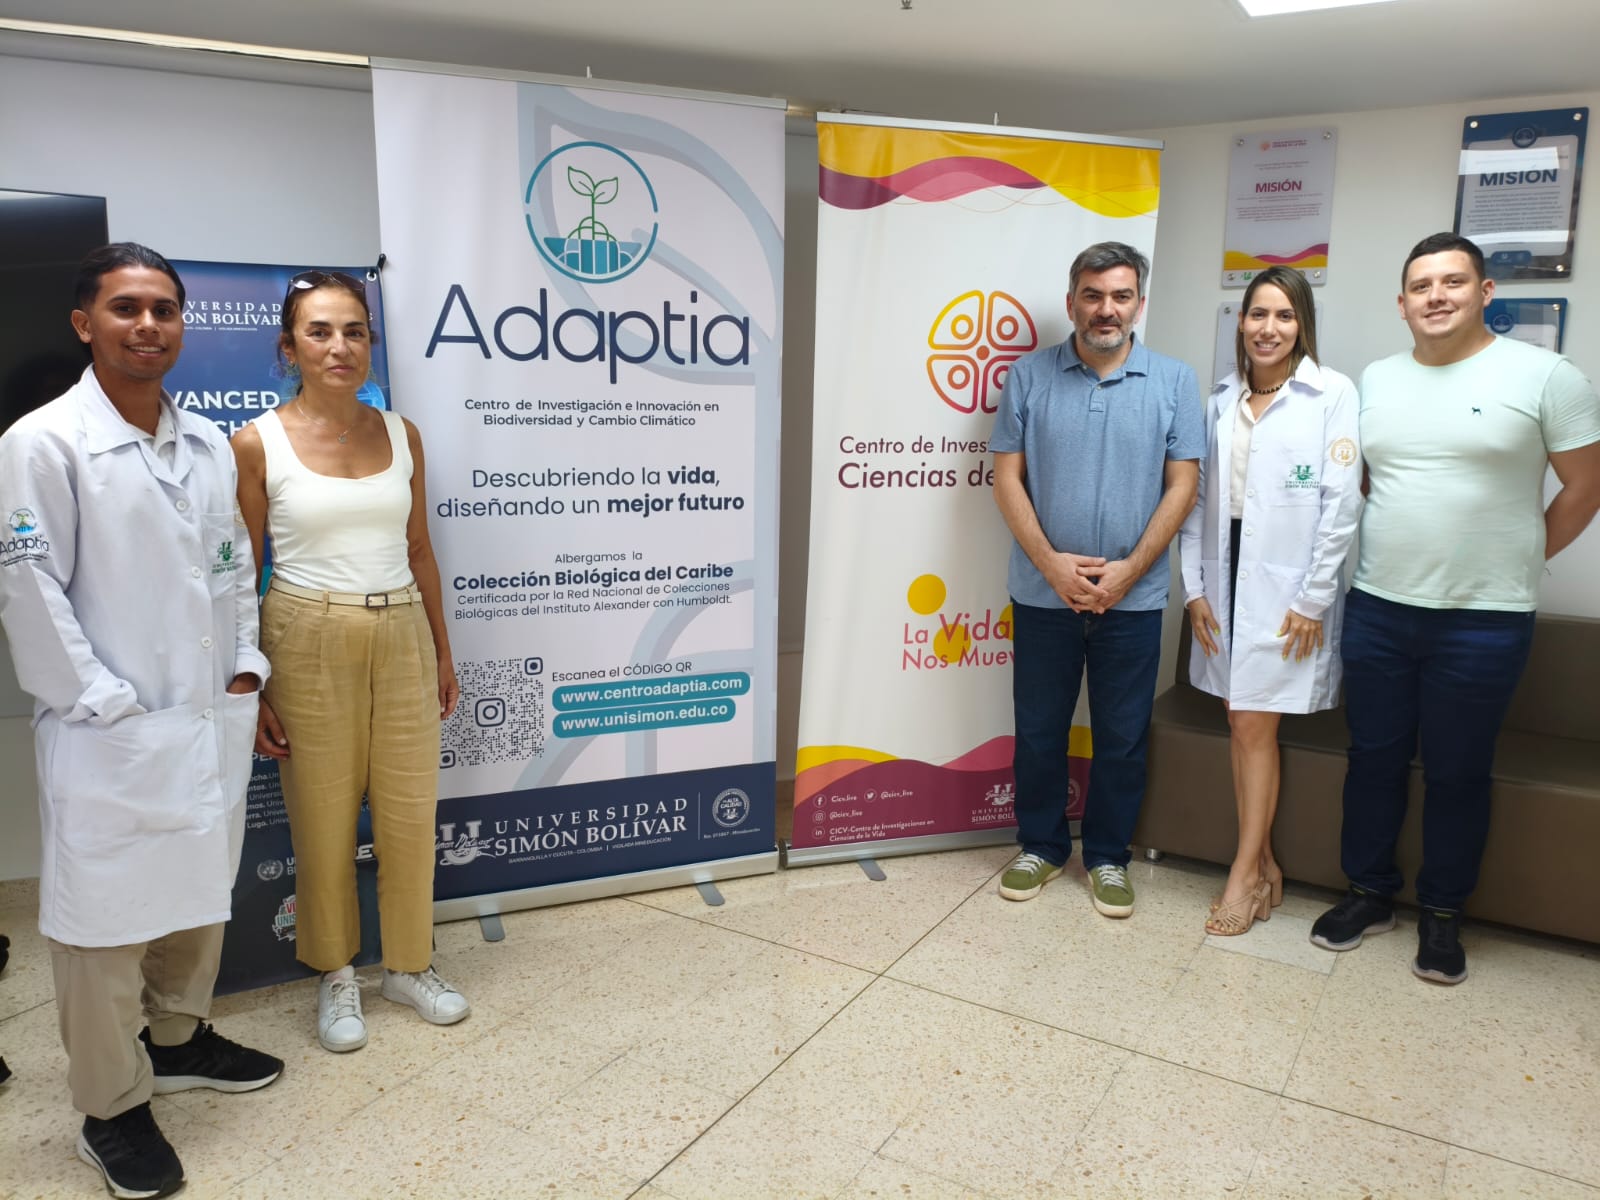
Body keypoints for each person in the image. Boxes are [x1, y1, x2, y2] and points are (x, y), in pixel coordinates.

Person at [0, 243, 282, 1199]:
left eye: (164, 308)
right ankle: (110, 1107)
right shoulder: (43, 443)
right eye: (126, 308)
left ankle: (178, 1038)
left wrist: (246, 665)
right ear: (86, 324)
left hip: (207, 714)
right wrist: (106, 704)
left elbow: (234, 565)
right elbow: (31, 590)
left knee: (198, 896)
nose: (148, 325)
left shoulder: (205, 444)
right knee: (104, 928)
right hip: (108, 731)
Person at [1310, 232, 1600, 983]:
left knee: (1458, 771)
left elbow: (1585, 487)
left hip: (1485, 619)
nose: (1436, 296)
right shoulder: (1376, 379)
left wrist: (1523, 555)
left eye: (1453, 282)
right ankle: (1368, 892)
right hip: (1378, 606)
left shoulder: (1546, 375)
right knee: (1371, 760)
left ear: (1485, 292)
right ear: (1402, 303)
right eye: (1421, 286)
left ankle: (1441, 912)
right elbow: (1367, 481)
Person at [232, 269, 466, 1053]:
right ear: (289, 347)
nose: (339, 346)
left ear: (371, 343)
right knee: (324, 816)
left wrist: (441, 650)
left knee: (409, 812)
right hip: (305, 632)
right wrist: (252, 683)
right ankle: (335, 973)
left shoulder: (402, 433)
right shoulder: (256, 442)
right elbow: (242, 571)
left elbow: (420, 549)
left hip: (401, 627)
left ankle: (408, 964)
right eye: (320, 331)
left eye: (354, 331)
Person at [990, 241, 1203, 915]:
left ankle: (1109, 856)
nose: (1105, 309)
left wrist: (1130, 570)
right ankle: (1042, 846)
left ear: (1139, 303)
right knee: (1039, 731)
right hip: (1043, 593)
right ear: (1071, 302)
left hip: (1132, 599)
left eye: (1119, 295)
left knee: (1122, 737)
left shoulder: (1175, 381)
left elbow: (1184, 484)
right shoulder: (1028, 377)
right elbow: (1006, 478)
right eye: (1092, 295)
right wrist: (1051, 564)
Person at [1178, 266, 1362, 935]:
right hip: (1224, 575)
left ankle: (1244, 873)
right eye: (1258, 313)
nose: (1269, 328)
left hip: (1288, 590)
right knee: (1241, 722)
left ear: (1302, 323)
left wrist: (1313, 600)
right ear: (1241, 322)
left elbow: (1340, 505)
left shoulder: (1331, 393)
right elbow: (1196, 500)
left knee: (1254, 726)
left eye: (1284, 315)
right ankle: (1267, 866)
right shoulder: (1221, 398)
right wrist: (1193, 590)